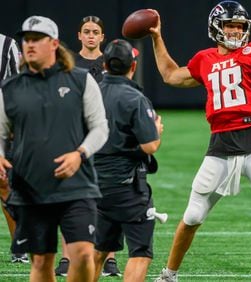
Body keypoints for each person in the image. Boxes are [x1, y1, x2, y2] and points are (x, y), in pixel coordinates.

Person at [150, 1, 251, 281]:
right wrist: (157, 38)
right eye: (230, 25)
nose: (235, 31)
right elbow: (171, 75)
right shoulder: (204, 58)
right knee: (192, 216)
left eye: (239, 26)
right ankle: (169, 274)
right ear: (215, 27)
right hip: (220, 144)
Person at [0, 15, 108, 281]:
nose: (30, 45)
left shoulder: (81, 80)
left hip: (77, 186)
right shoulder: (11, 88)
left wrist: (80, 154)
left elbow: (100, 128)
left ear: (54, 43)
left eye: (37, 39)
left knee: (83, 254)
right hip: (31, 188)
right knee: (41, 262)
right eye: (26, 39)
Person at [55, 14, 121, 278]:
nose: (91, 35)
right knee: (70, 197)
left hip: (109, 137)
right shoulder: (70, 63)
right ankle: (66, 257)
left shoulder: (112, 62)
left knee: (109, 199)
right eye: (87, 31)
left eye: (95, 31)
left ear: (102, 36)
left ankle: (110, 258)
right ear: (79, 35)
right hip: (77, 138)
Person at [92, 38, 163, 282]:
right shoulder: (135, 98)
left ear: (105, 65)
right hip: (127, 186)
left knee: (99, 249)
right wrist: (156, 130)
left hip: (94, 185)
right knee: (140, 253)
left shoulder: (89, 94)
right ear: (132, 66)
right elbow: (150, 145)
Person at [0, 33, 28, 264]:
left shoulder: (7, 44)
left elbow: (17, 84)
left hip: (2, 126)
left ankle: (19, 244)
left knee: (5, 185)